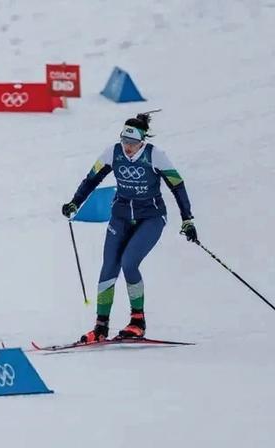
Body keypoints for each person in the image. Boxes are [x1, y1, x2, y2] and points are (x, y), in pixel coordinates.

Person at [62, 113, 197, 342]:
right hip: (121, 217)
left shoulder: (156, 155)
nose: (128, 148)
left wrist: (187, 219)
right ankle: (101, 326)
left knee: (129, 263)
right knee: (108, 269)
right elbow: (92, 178)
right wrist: (75, 201)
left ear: (142, 142)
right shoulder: (112, 152)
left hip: (151, 218)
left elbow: (178, 186)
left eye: (133, 144)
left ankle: (138, 321)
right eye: (125, 142)